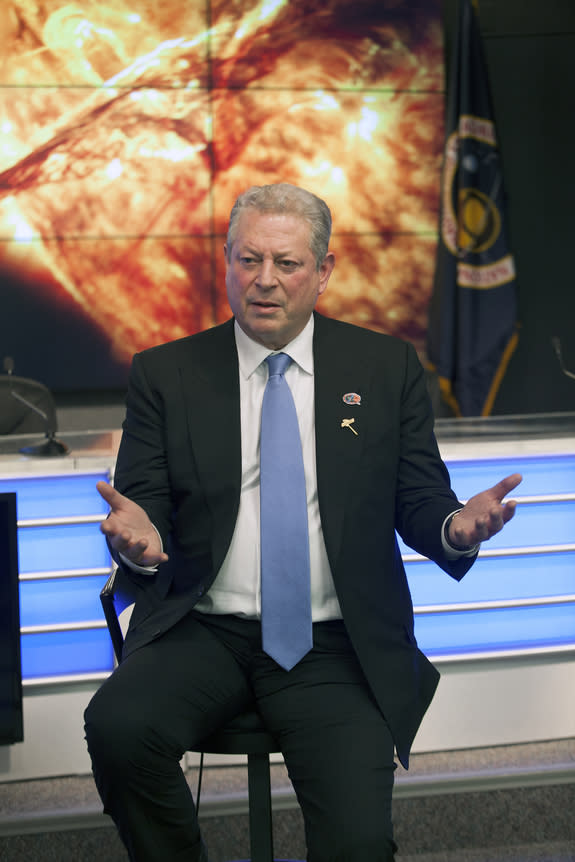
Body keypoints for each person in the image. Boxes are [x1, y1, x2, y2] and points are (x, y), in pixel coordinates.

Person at [84, 183, 521, 861]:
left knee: (356, 845)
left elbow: (419, 499)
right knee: (116, 728)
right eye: (248, 259)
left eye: (286, 264)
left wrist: (453, 527)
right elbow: (145, 512)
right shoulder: (165, 373)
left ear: (322, 272)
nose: (265, 280)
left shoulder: (384, 368)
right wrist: (140, 546)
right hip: (203, 631)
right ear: (226, 263)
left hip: (332, 643)